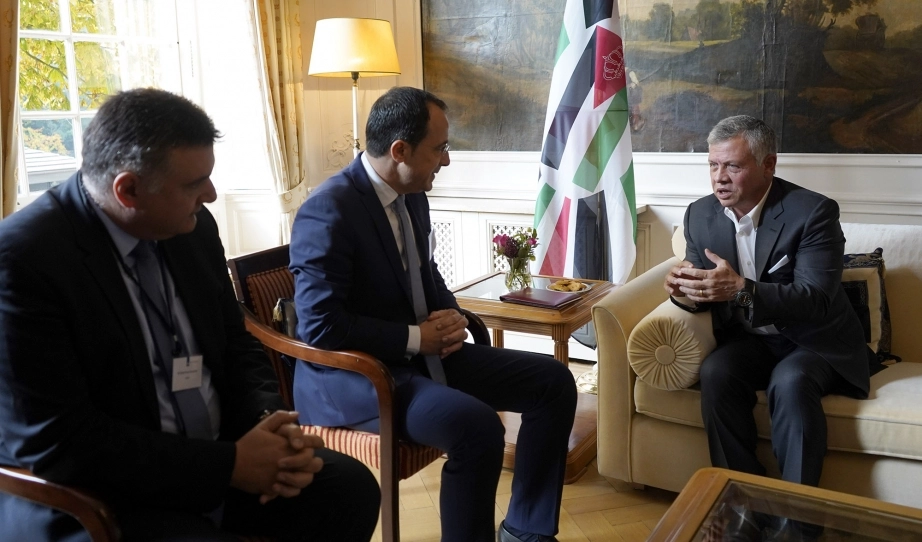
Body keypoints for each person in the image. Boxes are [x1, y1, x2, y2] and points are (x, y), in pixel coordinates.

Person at [0, 88, 380, 541]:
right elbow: (59, 441)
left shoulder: (191, 228)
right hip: (109, 494)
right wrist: (228, 466)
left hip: (221, 450)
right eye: (194, 184)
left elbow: (236, 342)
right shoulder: (23, 260)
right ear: (128, 190)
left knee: (349, 489)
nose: (211, 195)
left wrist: (267, 424)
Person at [289, 86, 577, 542]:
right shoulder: (328, 210)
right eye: (439, 148)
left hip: (418, 357)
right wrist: (416, 338)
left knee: (553, 382)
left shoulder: (412, 193)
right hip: (356, 378)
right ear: (400, 150)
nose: (446, 160)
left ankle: (526, 531)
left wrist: (451, 315)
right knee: (476, 427)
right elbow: (320, 326)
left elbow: (426, 273)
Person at [663, 115, 877, 538]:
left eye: (733, 166)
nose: (720, 178)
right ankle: (743, 508)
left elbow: (815, 300)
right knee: (716, 372)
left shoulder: (813, 212)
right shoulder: (700, 215)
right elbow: (700, 289)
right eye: (713, 165)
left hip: (814, 340)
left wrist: (741, 289)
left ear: (768, 165)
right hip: (753, 339)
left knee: (791, 382)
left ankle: (798, 524)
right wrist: (682, 290)